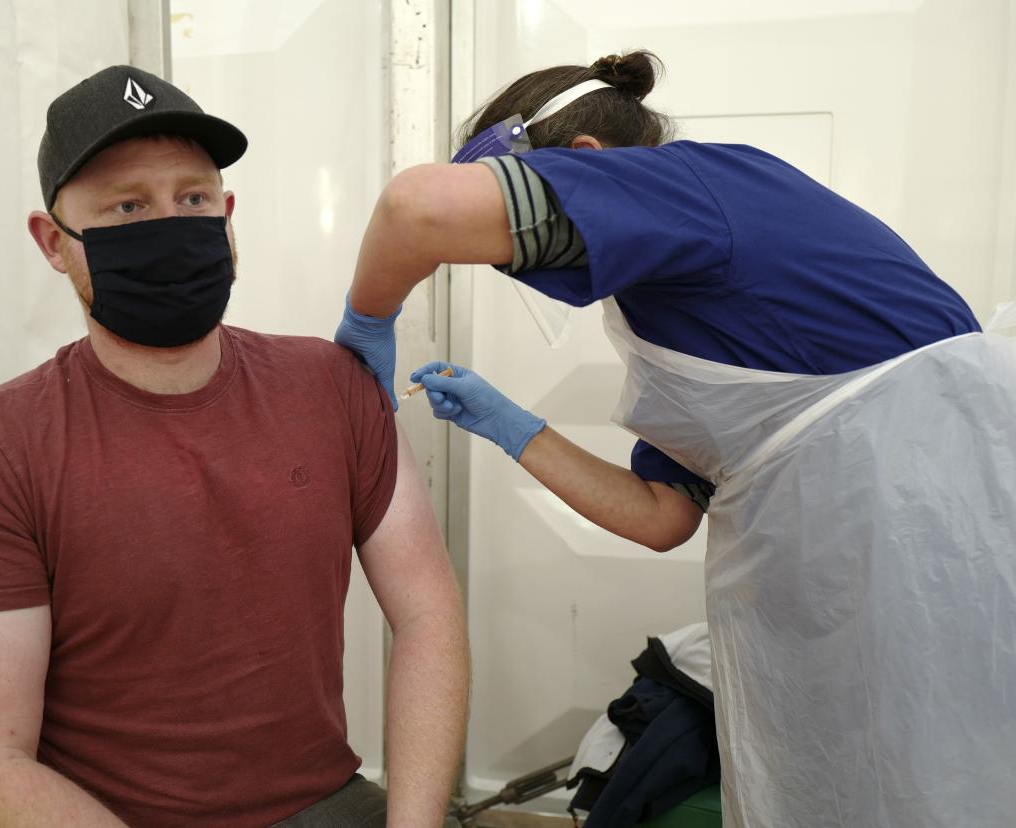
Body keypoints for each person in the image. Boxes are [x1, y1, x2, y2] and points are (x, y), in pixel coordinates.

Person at [334, 50, 1016, 827]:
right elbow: (662, 516)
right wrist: (511, 426)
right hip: (847, 590)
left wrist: (370, 317)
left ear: (587, 166)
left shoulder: (698, 184)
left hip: (937, 552)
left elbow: (417, 208)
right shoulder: (674, 302)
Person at [0, 65, 468, 828]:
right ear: (53, 242)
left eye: (192, 199)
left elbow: (428, 617)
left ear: (228, 215)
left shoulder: (333, 387)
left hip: (328, 804)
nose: (168, 224)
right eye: (127, 206)